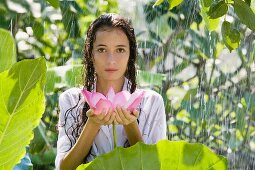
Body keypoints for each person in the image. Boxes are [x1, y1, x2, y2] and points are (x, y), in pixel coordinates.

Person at [55, 13, 166, 170]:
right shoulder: (72, 99)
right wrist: (92, 124)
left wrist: (130, 125)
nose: (111, 60)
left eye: (120, 50)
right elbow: (64, 168)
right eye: (101, 49)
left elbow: (155, 167)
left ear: (130, 56)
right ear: (90, 55)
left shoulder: (152, 102)